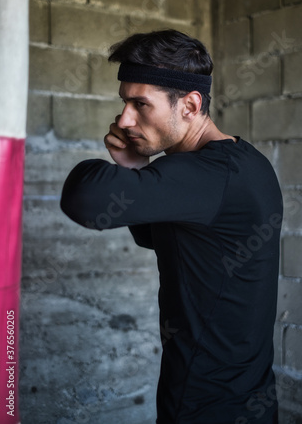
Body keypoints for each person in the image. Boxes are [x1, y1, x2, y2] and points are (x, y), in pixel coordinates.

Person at [60, 29, 282, 424]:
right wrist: (132, 170)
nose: (125, 119)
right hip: (243, 394)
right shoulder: (243, 162)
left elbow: (85, 200)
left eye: (140, 103)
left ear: (190, 105)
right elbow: (162, 237)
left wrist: (124, 177)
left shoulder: (204, 173)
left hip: (206, 405)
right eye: (124, 102)